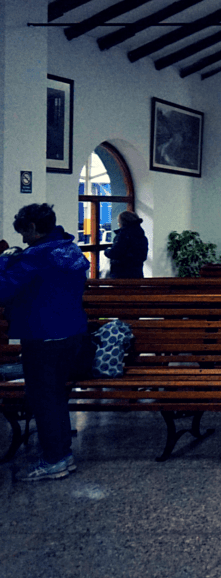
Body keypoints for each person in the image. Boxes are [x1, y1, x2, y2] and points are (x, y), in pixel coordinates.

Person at [0, 203, 90, 481]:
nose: (23, 239)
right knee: (56, 397)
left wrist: (3, 261)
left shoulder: (34, 259)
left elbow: (3, 291)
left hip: (41, 335)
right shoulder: (71, 251)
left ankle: (55, 460)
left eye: (24, 233)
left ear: (34, 228)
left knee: (43, 399)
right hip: (72, 334)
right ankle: (63, 455)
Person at [104, 210, 149, 278]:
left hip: (121, 273)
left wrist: (107, 251)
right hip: (137, 273)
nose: (118, 224)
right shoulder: (140, 235)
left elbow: (115, 253)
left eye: (119, 222)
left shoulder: (123, 235)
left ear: (123, 222)